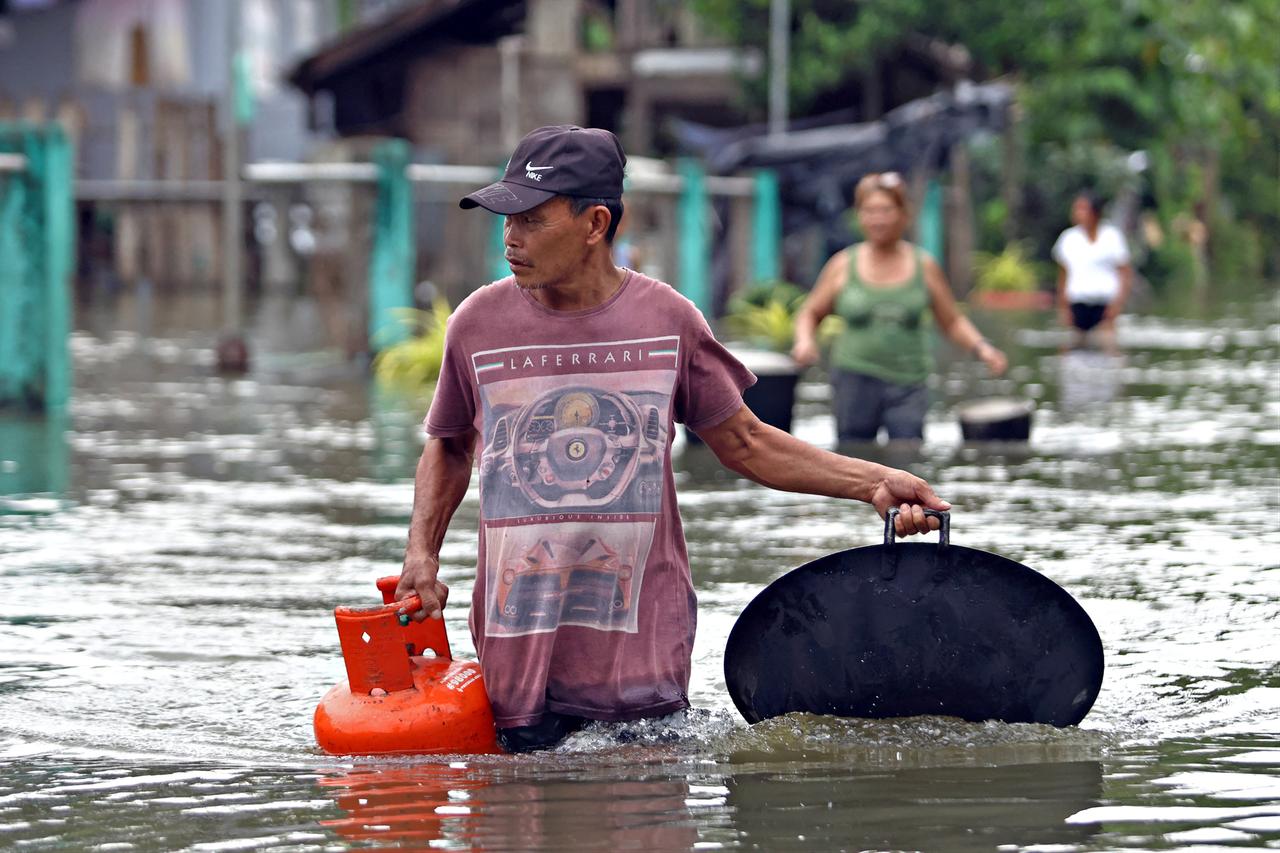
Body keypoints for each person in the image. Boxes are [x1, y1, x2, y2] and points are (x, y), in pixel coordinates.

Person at [394, 126, 949, 753]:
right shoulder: (477, 324)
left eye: (530, 219)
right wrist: (422, 554)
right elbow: (448, 446)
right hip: (516, 640)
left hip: (639, 643)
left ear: (595, 223)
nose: (510, 238)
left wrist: (874, 481)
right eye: (505, 219)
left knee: (645, 807)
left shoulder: (668, 321)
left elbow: (745, 443)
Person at [791, 172, 1008, 444]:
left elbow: (951, 321)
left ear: (904, 214)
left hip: (908, 381)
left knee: (907, 457)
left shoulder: (923, 266)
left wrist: (982, 348)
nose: (877, 219)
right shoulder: (843, 264)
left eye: (885, 210)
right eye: (869, 211)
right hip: (853, 380)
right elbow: (810, 312)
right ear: (859, 216)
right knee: (854, 456)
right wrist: (804, 342)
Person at [1053, 191, 1133, 352]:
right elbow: (1063, 276)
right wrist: (1063, 308)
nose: (1078, 213)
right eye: (1076, 209)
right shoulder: (1068, 238)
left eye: (1083, 209)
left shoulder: (1112, 237)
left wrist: (1117, 305)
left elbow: (1124, 273)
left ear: (1095, 212)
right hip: (1078, 303)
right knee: (1074, 350)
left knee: (1108, 348)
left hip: (1105, 305)